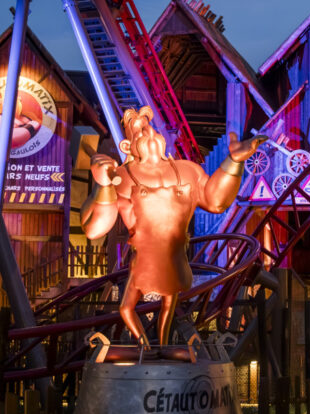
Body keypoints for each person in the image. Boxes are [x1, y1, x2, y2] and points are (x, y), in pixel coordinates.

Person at [82, 107, 265, 349]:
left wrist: (233, 162)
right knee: (128, 307)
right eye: (139, 130)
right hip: (144, 260)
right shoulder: (122, 176)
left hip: (176, 259)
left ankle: (162, 347)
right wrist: (103, 185)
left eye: (150, 127)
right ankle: (145, 347)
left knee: (169, 305)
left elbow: (215, 201)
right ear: (127, 146)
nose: (148, 131)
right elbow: (95, 229)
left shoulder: (187, 170)